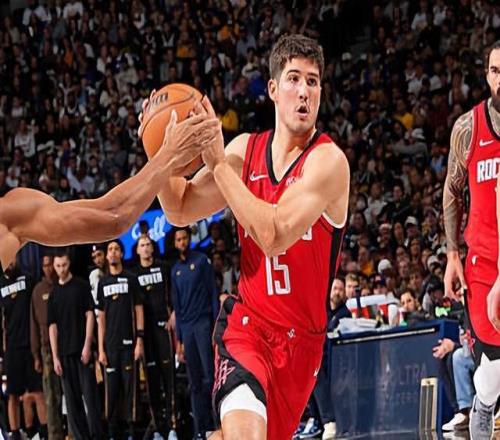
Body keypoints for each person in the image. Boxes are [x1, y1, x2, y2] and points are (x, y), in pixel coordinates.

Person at [140, 34, 349, 439]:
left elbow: (273, 235)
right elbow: (179, 208)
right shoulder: (244, 151)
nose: (303, 91)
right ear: (272, 89)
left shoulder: (328, 162)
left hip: (301, 348)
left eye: (312, 81)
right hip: (247, 327)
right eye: (293, 79)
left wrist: (218, 165)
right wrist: (160, 154)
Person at [0, 112, 219, 271]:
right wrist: (167, 155)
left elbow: (112, 215)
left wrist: (161, 153)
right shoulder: (8, 213)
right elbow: (113, 217)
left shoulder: (10, 211)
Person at [443, 41, 500, 439]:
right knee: (492, 369)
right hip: (482, 265)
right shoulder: (468, 128)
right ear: (487, 75)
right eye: (496, 71)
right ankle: (483, 404)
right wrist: (451, 254)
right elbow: (452, 190)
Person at [48, 251, 103, 439]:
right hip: (64, 354)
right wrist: (55, 357)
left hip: (82, 350)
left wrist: (87, 345)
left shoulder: (81, 286)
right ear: (54, 267)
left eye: (64, 265)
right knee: (72, 403)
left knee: (91, 397)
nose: (61, 269)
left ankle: (97, 436)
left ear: (69, 263)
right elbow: (52, 326)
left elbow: (90, 315)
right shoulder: (54, 292)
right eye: (58, 266)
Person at [170, 227, 219, 438]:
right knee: (195, 381)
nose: (182, 242)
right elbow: (177, 306)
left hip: (203, 324)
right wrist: (179, 340)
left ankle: (218, 424)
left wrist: (215, 326)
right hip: (187, 329)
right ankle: (201, 429)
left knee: (210, 376)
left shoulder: (201, 261)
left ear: (189, 239)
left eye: (184, 238)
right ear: (175, 243)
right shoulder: (175, 270)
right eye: (178, 239)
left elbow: (213, 293)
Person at [97, 240, 144, 440]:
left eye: (116, 249)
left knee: (130, 389)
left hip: (129, 344)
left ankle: (132, 431)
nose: (113, 252)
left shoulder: (131, 279)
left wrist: (139, 340)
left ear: (122, 254)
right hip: (110, 346)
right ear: (107, 255)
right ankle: (112, 432)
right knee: (111, 390)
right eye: (110, 249)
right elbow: (101, 318)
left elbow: (139, 309)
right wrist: (101, 349)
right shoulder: (102, 283)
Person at [132, 234, 174, 438]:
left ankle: (173, 427)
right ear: (137, 250)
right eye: (142, 245)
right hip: (145, 334)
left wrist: (173, 314)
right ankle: (158, 428)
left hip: (163, 328)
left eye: (148, 244)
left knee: (169, 379)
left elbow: (172, 294)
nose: (146, 248)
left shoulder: (164, 268)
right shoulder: (133, 274)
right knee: (152, 382)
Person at [0, 261, 47, 439]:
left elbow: (37, 310)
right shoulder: (0, 284)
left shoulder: (28, 279)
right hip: (11, 348)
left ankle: (44, 432)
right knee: (12, 394)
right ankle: (14, 434)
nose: (9, 263)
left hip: (30, 345)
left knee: (38, 392)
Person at [30, 254, 64, 440]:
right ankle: (55, 435)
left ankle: (74, 432)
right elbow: (33, 324)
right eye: (45, 265)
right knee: (51, 396)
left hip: (67, 345)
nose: (49, 268)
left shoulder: (63, 286)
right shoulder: (37, 291)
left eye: (51, 264)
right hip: (47, 350)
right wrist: (36, 355)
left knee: (71, 392)